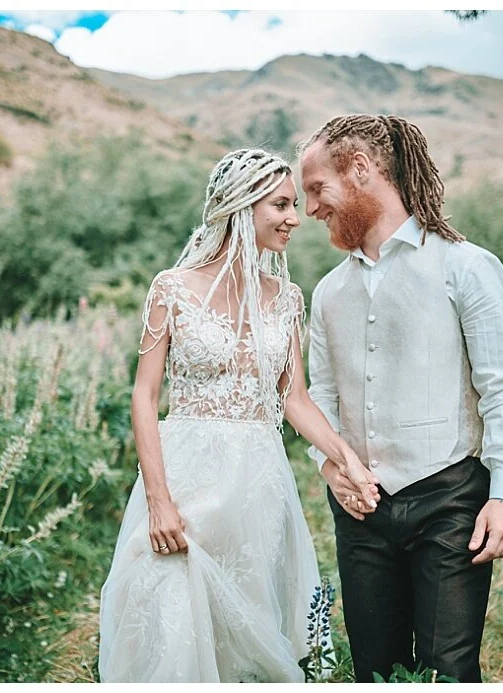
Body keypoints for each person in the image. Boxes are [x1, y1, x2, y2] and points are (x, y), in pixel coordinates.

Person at [97, 148, 378, 682]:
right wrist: (159, 500)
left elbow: (293, 399)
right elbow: (143, 395)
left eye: (296, 204)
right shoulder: (172, 288)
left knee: (245, 628)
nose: (295, 218)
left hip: (256, 484)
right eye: (281, 205)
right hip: (186, 480)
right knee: (174, 618)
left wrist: (347, 460)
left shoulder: (287, 299)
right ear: (241, 206)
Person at [297, 114, 503, 683]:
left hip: (451, 502)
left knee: (448, 671)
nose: (310, 208)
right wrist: (331, 465)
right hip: (360, 511)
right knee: (375, 670)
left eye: (316, 189)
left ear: (359, 170)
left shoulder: (466, 267)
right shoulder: (328, 292)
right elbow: (322, 399)